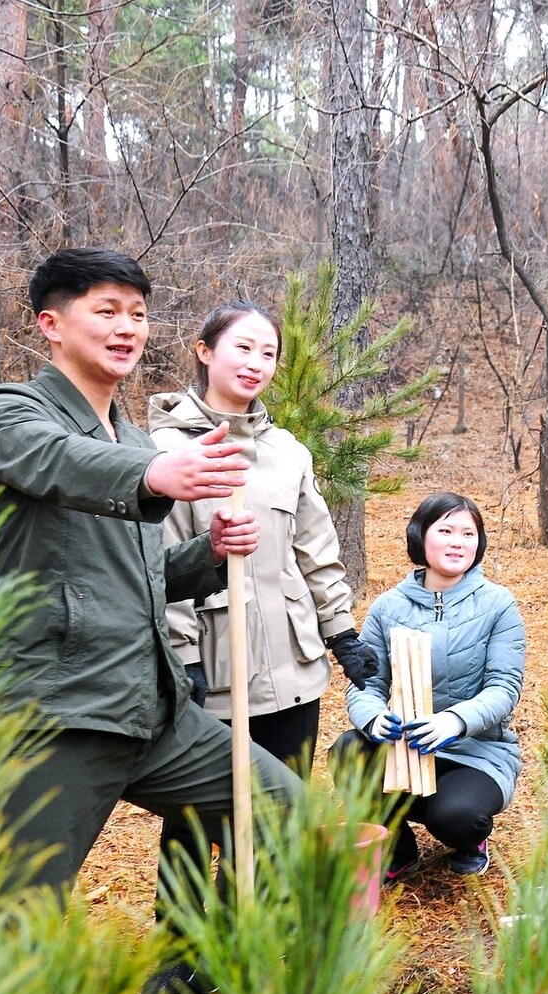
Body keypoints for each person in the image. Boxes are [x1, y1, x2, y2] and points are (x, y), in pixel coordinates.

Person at [0, 248, 302, 994]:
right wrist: (151, 479)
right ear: (51, 325)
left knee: (292, 814)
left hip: (154, 711)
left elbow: (145, 581)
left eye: (139, 314)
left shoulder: (132, 438)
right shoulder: (6, 412)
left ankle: (186, 974)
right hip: (57, 716)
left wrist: (209, 556)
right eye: (106, 310)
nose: (128, 328)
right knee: (14, 919)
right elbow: (54, 461)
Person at [146, 302, 378, 947]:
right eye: (242, 348)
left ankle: (256, 934)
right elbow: (157, 569)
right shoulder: (164, 453)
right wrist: (181, 658)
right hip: (215, 670)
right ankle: (182, 947)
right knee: (194, 815)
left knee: (281, 808)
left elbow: (317, 552)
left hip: (292, 667)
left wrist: (343, 634)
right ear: (203, 350)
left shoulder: (287, 454)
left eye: (269, 354)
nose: (256, 364)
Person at [330, 493, 525, 879]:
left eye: (468, 533)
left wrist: (453, 722)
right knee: (349, 750)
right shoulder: (389, 606)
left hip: (474, 750)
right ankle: (397, 850)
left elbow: (504, 687)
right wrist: (373, 719)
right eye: (446, 530)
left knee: (457, 818)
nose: (458, 541)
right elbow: (367, 681)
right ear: (421, 536)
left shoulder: (498, 604)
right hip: (403, 746)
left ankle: (470, 839)